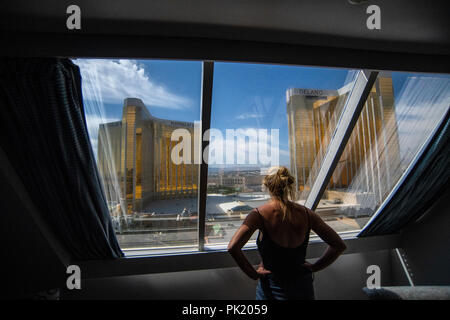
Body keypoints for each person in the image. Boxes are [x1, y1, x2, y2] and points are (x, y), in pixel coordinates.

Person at [227, 166, 346, 300]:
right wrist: (315, 267)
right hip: (302, 288)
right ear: (289, 185)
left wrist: (253, 274)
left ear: (267, 186)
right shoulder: (307, 214)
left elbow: (233, 247)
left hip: (271, 288)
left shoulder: (259, 214)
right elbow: (339, 245)